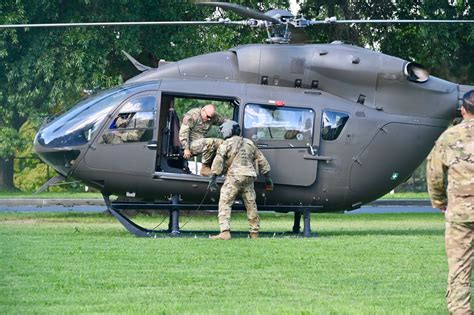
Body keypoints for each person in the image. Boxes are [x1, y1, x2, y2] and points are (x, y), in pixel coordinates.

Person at [427, 90, 474, 315]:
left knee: (459, 269)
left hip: (460, 215)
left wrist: (439, 201)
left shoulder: (449, 137)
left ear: (463, 110)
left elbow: (435, 173)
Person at [208, 120, 273, 240]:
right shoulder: (249, 143)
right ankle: (254, 232)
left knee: (225, 202)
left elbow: (218, 160)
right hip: (249, 177)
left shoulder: (226, 143)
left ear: (228, 130)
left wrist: (212, 178)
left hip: (234, 177)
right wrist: (268, 178)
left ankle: (225, 232)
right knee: (251, 205)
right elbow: (261, 160)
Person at [179, 104, 226, 176]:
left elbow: (223, 121)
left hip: (201, 144)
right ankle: (205, 168)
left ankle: (216, 168)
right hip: (190, 145)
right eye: (208, 117)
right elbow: (183, 133)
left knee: (222, 143)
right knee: (210, 142)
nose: (209, 119)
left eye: (211, 117)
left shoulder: (211, 116)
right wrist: (186, 149)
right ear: (203, 110)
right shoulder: (192, 115)